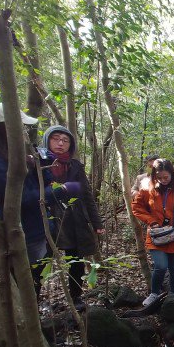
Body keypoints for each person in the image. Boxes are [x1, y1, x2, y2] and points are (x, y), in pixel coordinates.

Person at [0, 103, 79, 292]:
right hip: (21, 233)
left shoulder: (14, 153)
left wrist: (40, 166)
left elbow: (41, 184)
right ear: (5, 127)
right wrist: (63, 190)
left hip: (37, 230)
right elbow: (20, 199)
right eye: (20, 126)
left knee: (35, 281)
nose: (23, 131)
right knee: (26, 284)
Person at [42, 125, 105, 309]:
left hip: (74, 218)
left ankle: (76, 297)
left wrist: (96, 221)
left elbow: (86, 195)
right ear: (47, 140)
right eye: (56, 139)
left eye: (65, 140)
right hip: (48, 218)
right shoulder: (38, 162)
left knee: (75, 260)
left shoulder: (75, 165)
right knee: (41, 261)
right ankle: (35, 300)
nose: (60, 143)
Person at [132, 159, 174, 307]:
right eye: (159, 178)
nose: (163, 180)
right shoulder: (147, 189)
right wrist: (151, 220)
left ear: (172, 174)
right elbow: (137, 207)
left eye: (166, 177)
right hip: (156, 234)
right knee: (160, 266)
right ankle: (154, 293)